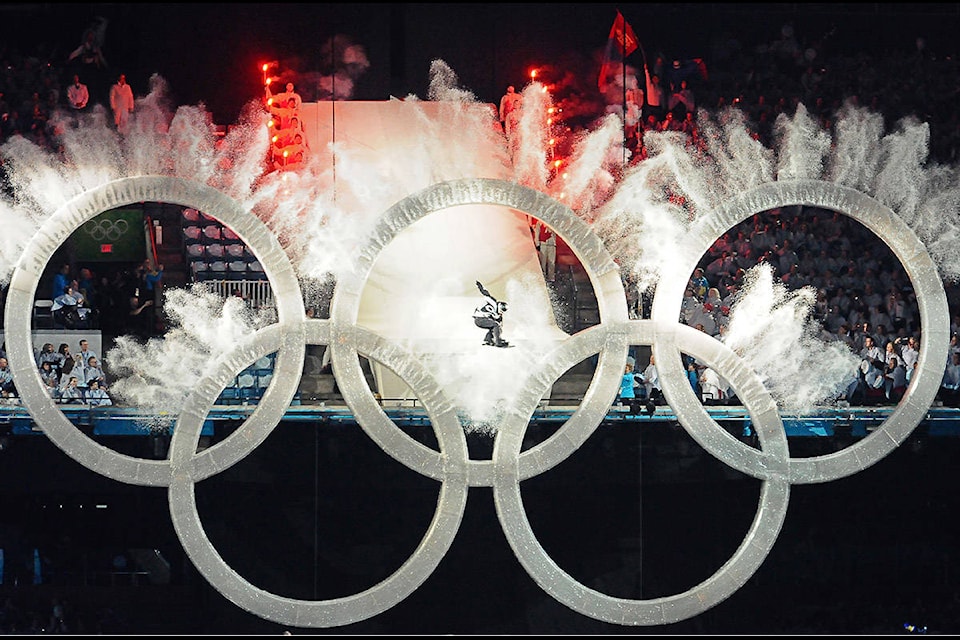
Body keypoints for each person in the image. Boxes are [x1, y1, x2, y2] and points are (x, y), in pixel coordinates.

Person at [473, 281, 509, 347]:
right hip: (480, 318)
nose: (501, 312)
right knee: (495, 325)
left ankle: (488, 340)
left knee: (495, 326)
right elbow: (486, 294)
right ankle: (498, 343)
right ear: (500, 305)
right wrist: (480, 286)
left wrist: (499, 333)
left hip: (481, 320)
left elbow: (500, 325)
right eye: (502, 309)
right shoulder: (493, 303)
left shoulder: (498, 315)